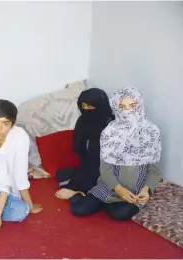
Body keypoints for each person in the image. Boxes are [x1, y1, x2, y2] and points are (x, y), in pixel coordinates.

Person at [69, 86, 162, 220]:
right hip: (109, 185)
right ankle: (95, 198)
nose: (127, 111)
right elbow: (105, 168)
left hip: (135, 190)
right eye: (122, 106)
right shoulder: (109, 131)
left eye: (132, 105)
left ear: (140, 106)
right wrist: (118, 189)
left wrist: (146, 190)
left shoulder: (151, 132)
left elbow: (154, 170)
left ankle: (105, 204)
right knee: (79, 209)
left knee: (120, 214)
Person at [55, 88, 114, 199]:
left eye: (90, 106)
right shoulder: (83, 121)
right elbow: (78, 148)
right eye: (84, 106)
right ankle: (80, 188)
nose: (86, 109)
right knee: (61, 174)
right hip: (86, 167)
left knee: (83, 185)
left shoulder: (112, 126)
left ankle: (79, 193)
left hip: (105, 172)